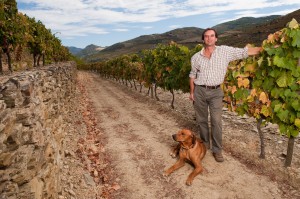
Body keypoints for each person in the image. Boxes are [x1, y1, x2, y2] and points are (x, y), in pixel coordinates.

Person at [189, 28, 261, 162]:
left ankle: (217, 150)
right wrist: (192, 92)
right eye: (206, 36)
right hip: (199, 91)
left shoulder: (224, 51)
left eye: (212, 36)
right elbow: (192, 75)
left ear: (216, 38)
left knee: (216, 121)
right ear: (203, 39)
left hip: (216, 91)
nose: (209, 38)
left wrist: (265, 48)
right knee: (202, 121)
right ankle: (205, 145)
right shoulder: (196, 57)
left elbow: (244, 52)